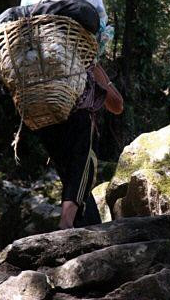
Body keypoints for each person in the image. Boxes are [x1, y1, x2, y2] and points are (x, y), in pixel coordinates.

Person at [36, 63, 123, 229]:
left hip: (44, 122)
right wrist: (104, 78)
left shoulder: (46, 67)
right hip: (77, 118)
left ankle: (90, 228)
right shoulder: (84, 61)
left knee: (72, 179)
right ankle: (66, 223)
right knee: (83, 172)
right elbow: (117, 105)